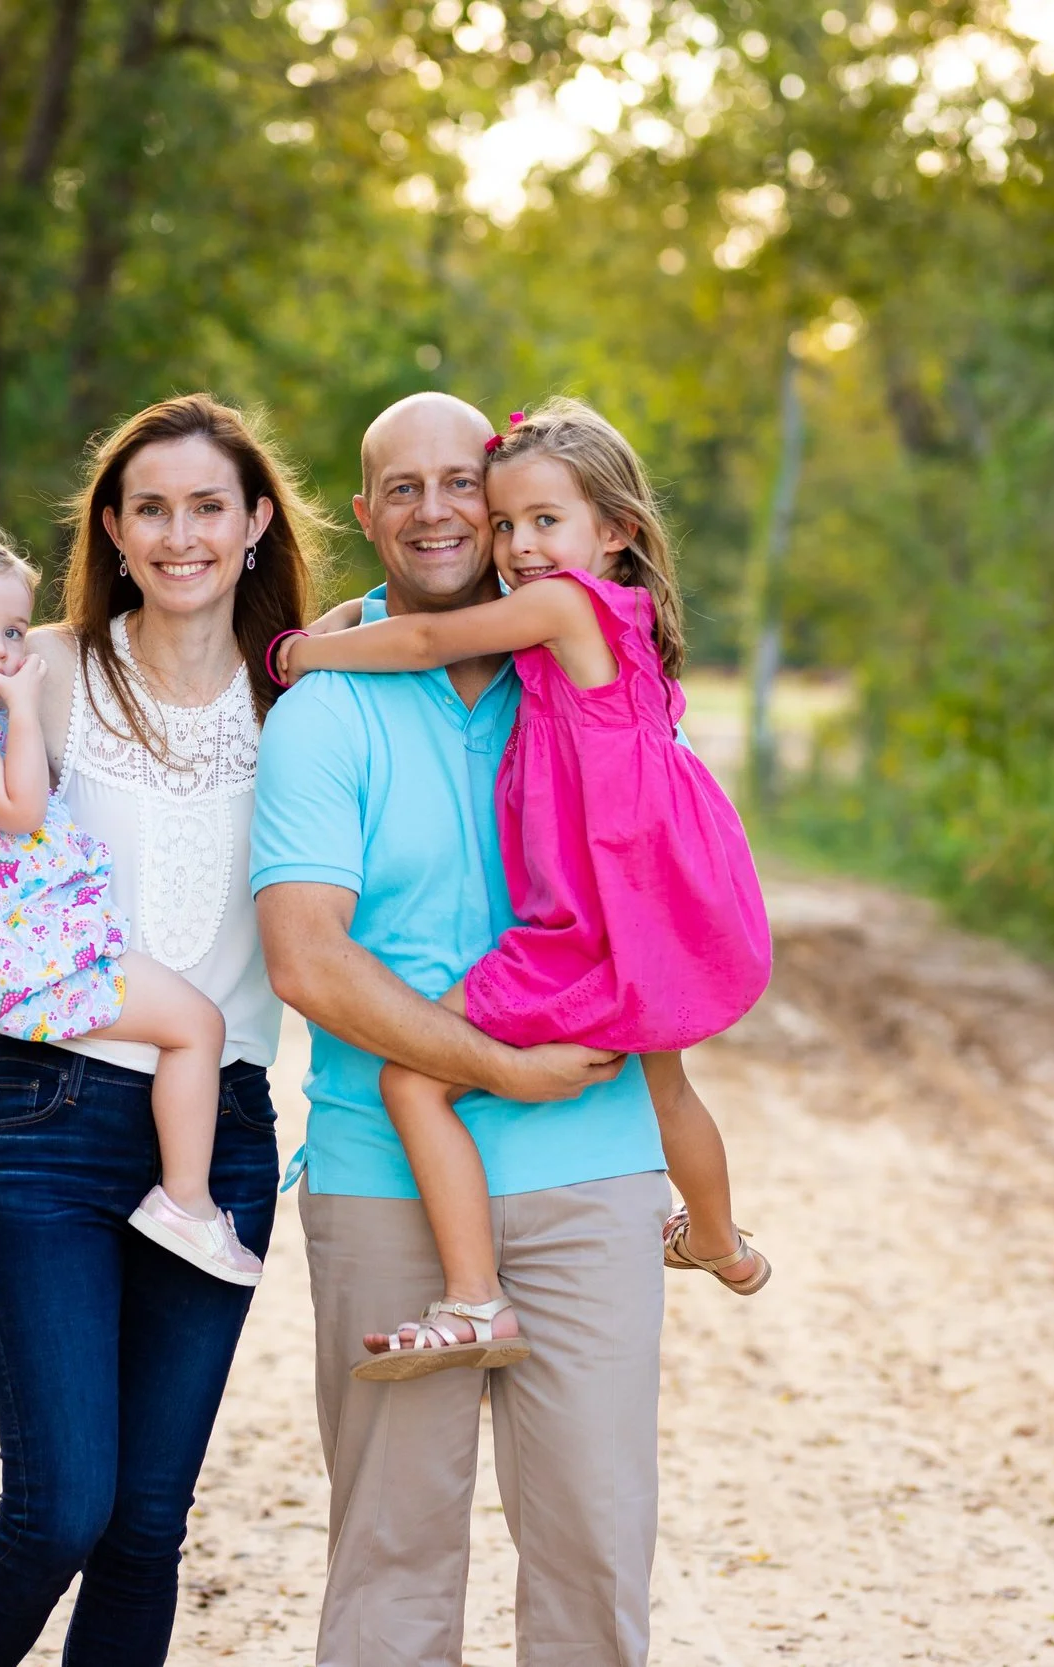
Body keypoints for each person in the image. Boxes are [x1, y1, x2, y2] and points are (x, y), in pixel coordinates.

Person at [252, 392, 666, 1665]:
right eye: (402, 487)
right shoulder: (326, 704)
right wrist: (498, 1065)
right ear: (366, 512)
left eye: (459, 485)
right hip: (384, 1178)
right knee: (392, 1558)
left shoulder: (581, 669)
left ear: (501, 507)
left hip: (590, 1166)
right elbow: (307, 960)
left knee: (596, 1555)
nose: (435, 512)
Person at [0, 395, 321, 1667]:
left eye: (207, 506)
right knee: (57, 1509)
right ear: (112, 527)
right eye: (150, 507)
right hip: (53, 1110)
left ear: (255, 522)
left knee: (146, 1525)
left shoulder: (305, 694)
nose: (179, 533)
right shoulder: (39, 668)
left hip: (224, 1127)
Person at [270, 397, 773, 1379]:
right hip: (637, 913)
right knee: (666, 1081)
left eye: (544, 520)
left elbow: (424, 642)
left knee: (412, 1080)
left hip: (579, 926)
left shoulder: (561, 610)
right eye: (506, 524)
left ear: (615, 530)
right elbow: (411, 622)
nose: (519, 545)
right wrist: (348, 616)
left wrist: (300, 651)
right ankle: (720, 1239)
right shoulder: (615, 624)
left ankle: (474, 1298)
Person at [0, 521, 262, 1285]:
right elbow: (23, 808)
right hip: (42, 948)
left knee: (6, 1038)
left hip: (23, 943)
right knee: (197, 1026)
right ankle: (187, 1202)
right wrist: (27, 708)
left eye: (12, 630)